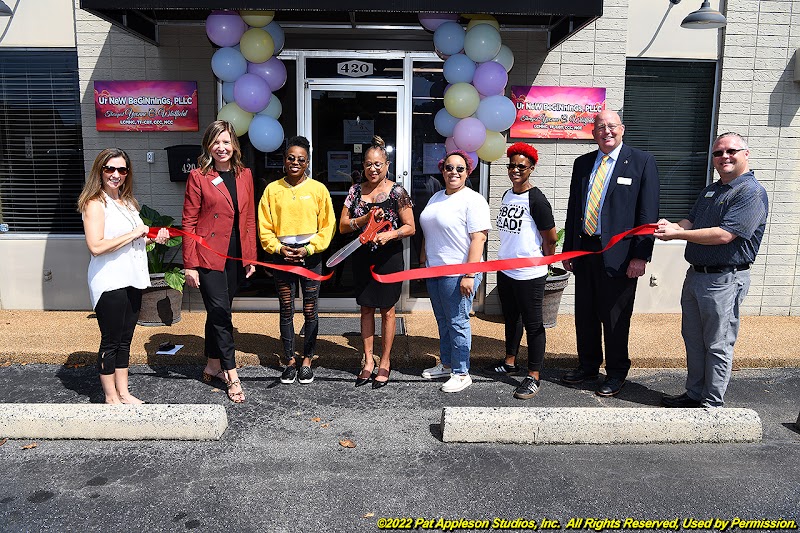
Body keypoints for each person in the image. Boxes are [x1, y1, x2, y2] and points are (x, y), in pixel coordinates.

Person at [656, 132, 768, 408]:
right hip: (696, 275)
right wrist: (671, 226)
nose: (724, 157)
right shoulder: (712, 190)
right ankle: (694, 394)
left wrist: (677, 234)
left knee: (718, 344)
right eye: (718, 153)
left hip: (725, 279)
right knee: (694, 340)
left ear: (746, 154)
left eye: (731, 151)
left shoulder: (750, 192)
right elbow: (691, 221)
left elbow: (725, 235)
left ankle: (711, 404)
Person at [561, 109, 659, 397]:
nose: (607, 131)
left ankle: (616, 372)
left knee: (615, 317)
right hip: (585, 250)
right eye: (601, 127)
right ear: (593, 133)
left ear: (622, 129)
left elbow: (648, 214)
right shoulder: (582, 163)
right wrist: (569, 250)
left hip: (621, 255)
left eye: (612, 126)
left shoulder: (642, 162)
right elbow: (574, 209)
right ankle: (588, 366)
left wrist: (641, 255)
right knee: (586, 313)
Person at [78, 148, 170, 404]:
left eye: (122, 169)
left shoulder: (128, 203)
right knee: (111, 341)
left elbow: (133, 241)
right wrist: (135, 233)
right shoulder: (95, 204)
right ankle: (111, 396)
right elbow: (96, 246)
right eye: (110, 168)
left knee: (125, 340)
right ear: (100, 171)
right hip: (110, 281)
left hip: (132, 278)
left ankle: (124, 392)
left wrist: (153, 239)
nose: (115, 174)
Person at [182, 120, 257, 404]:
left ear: (234, 145)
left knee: (218, 312)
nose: (221, 147)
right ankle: (231, 374)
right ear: (208, 146)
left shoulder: (244, 175)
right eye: (216, 142)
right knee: (222, 314)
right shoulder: (198, 176)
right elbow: (188, 222)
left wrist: (250, 257)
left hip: (235, 254)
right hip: (208, 254)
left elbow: (249, 219)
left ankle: (212, 364)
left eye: (226, 141)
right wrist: (190, 264)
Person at [338, 136, 415, 389]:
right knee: (366, 308)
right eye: (369, 164)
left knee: (388, 310)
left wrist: (390, 234)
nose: (373, 169)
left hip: (388, 258)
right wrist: (364, 221)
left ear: (387, 165)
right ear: (363, 166)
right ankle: (368, 360)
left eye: (378, 164)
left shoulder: (398, 192)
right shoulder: (355, 191)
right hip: (362, 257)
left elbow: (410, 227)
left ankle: (385, 361)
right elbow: (342, 226)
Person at [258, 135, 335, 385]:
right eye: (291, 158)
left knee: (310, 310)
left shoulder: (318, 190)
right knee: (286, 309)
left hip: (310, 256)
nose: (295, 163)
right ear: (284, 160)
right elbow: (264, 226)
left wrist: (310, 249)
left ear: (307, 162)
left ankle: (307, 361)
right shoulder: (272, 190)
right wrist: (278, 248)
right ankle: (290, 361)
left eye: (301, 159)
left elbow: (328, 226)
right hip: (282, 255)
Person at [485, 142, 557, 400]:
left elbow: (550, 238)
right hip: (506, 269)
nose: (515, 170)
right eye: (512, 165)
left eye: (521, 167)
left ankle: (534, 375)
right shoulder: (507, 194)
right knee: (511, 318)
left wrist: (544, 262)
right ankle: (510, 361)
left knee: (533, 324)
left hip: (529, 273)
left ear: (531, 168)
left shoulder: (536, 199)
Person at [419, 150, 491, 393]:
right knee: (443, 320)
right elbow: (429, 232)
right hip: (434, 270)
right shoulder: (436, 197)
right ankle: (448, 364)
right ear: (442, 170)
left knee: (458, 322)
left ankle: (461, 373)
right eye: (449, 167)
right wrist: (422, 262)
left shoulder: (474, 200)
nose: (454, 172)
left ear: (468, 172)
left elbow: (479, 238)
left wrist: (469, 275)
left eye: (460, 169)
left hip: (459, 272)